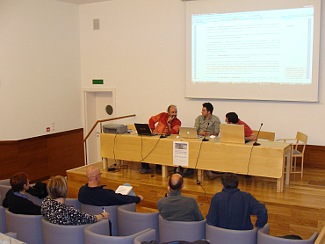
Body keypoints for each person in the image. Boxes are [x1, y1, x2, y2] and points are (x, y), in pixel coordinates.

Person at [41, 175, 108, 225]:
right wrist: (102, 215)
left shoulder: (45, 204)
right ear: (65, 190)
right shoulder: (68, 212)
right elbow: (90, 219)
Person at [139, 105, 182, 174]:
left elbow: (173, 133)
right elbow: (151, 120)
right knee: (144, 145)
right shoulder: (162, 115)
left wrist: (168, 124)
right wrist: (153, 130)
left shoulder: (177, 122)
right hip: (155, 137)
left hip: (166, 140)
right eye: (172, 112)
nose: (174, 114)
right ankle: (145, 167)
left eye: (175, 112)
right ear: (168, 112)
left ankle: (159, 166)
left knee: (161, 148)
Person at [78, 165, 143, 206]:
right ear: (97, 177)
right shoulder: (106, 194)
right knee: (128, 187)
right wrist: (138, 198)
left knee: (126, 185)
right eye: (100, 174)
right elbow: (123, 200)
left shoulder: (82, 191)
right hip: (113, 214)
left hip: (92, 216)